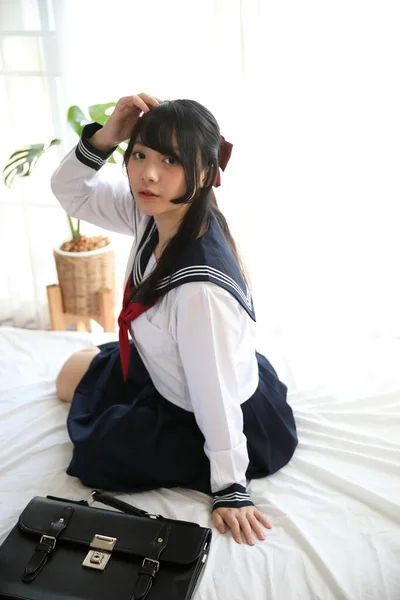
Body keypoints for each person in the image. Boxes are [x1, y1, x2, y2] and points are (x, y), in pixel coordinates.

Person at [51, 93, 298, 546]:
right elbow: (70, 192)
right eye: (140, 154)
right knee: (68, 379)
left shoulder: (200, 292)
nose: (148, 173)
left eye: (170, 160)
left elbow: (214, 393)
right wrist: (107, 137)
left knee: (93, 453)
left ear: (205, 174)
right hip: (169, 368)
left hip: (204, 411)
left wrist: (230, 488)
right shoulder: (156, 212)